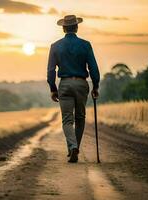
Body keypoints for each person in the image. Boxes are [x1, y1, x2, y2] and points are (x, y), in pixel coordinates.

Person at [47, 15, 100, 163]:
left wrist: (53, 88)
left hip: (64, 84)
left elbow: (51, 70)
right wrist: (95, 85)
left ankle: (72, 147)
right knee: (80, 118)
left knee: (67, 120)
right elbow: (93, 68)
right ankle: (74, 147)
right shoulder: (85, 45)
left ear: (63, 28)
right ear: (76, 27)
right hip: (81, 84)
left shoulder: (55, 46)